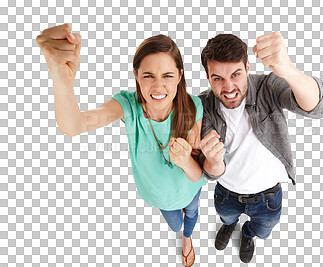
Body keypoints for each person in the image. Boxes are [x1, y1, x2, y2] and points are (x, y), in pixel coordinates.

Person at [36, 23, 205, 267]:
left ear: (180, 75)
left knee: (191, 215)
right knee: (176, 223)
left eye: (167, 75)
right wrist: (62, 83)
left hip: (190, 190)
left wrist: (186, 160)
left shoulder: (193, 106)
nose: (158, 87)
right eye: (148, 76)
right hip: (160, 196)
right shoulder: (127, 106)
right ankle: (182, 232)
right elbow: (74, 126)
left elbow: (197, 174)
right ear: (136, 75)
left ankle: (188, 239)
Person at [197, 32, 323, 263]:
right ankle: (230, 227)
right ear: (208, 78)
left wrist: (287, 69)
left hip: (268, 198)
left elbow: (318, 107)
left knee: (261, 230)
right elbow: (210, 174)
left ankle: (248, 235)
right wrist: (213, 160)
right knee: (227, 218)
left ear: (247, 67)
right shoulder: (203, 105)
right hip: (226, 194)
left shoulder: (267, 86)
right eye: (217, 78)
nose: (228, 87)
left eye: (236, 74)